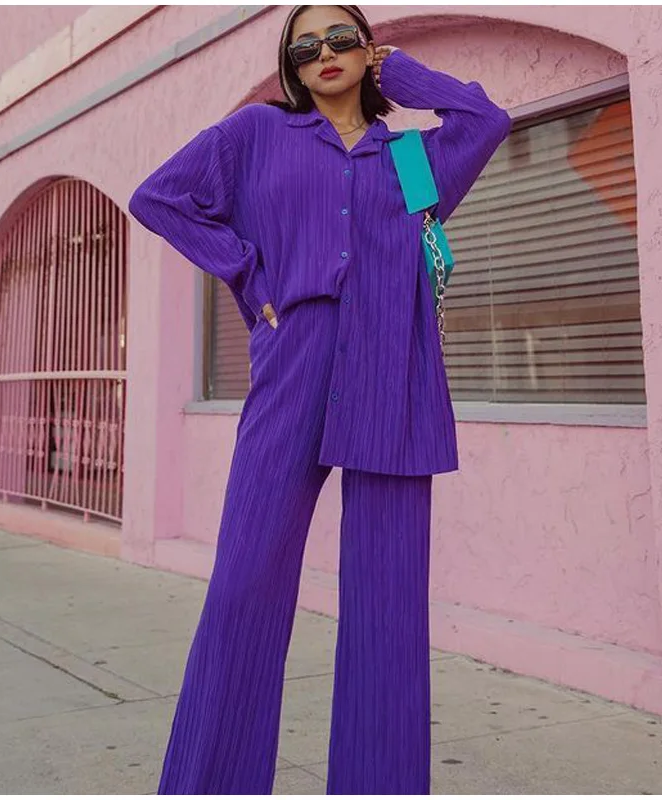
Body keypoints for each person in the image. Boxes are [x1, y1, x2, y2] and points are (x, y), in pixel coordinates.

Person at [128, 4, 511, 794]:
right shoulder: (255, 135)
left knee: (387, 610)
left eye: (341, 39)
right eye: (305, 47)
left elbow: (486, 119)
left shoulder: (410, 159)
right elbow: (160, 197)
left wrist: (404, 75)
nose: (323, 54)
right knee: (244, 587)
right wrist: (244, 272)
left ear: (367, 51)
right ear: (291, 66)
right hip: (292, 365)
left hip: (392, 374)